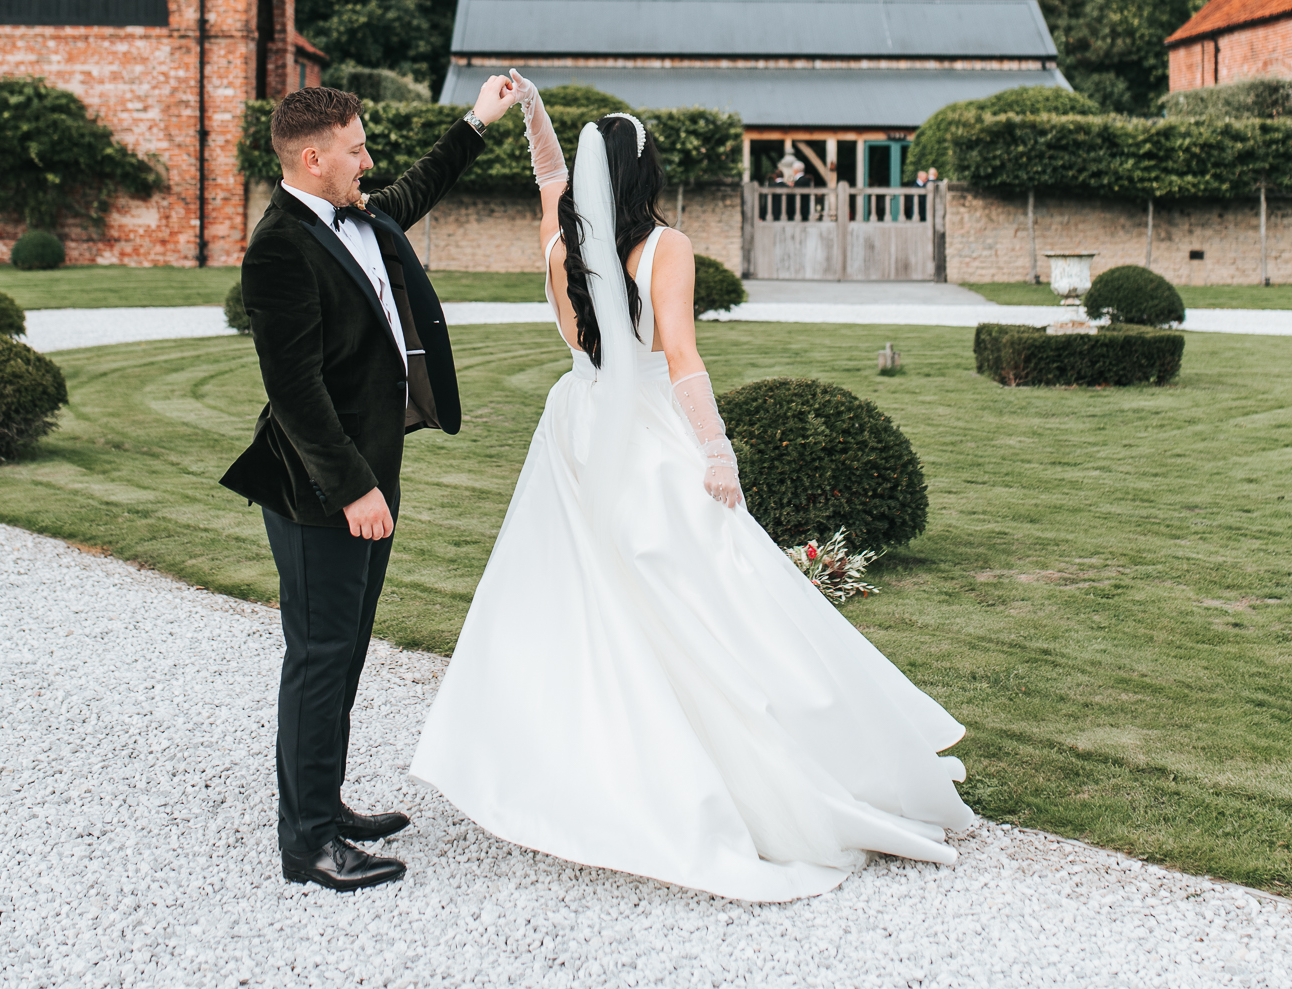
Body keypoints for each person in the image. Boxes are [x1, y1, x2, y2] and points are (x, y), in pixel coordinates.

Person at [411, 78, 973, 902]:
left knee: (593, 597)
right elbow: (680, 355)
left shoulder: (561, 242)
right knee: (713, 587)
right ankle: (757, 766)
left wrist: (532, 113)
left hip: (573, 422)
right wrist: (716, 451)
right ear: (648, 176)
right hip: (640, 426)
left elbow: (549, 180)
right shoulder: (664, 249)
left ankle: (598, 764)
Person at [221, 77, 516, 892]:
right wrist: (354, 489)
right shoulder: (279, 248)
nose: (369, 159)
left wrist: (478, 122)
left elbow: (417, 186)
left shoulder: (361, 215)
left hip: (369, 473)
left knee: (344, 653)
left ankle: (324, 802)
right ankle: (309, 845)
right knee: (320, 657)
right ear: (313, 159)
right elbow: (295, 389)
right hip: (323, 489)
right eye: (356, 149)